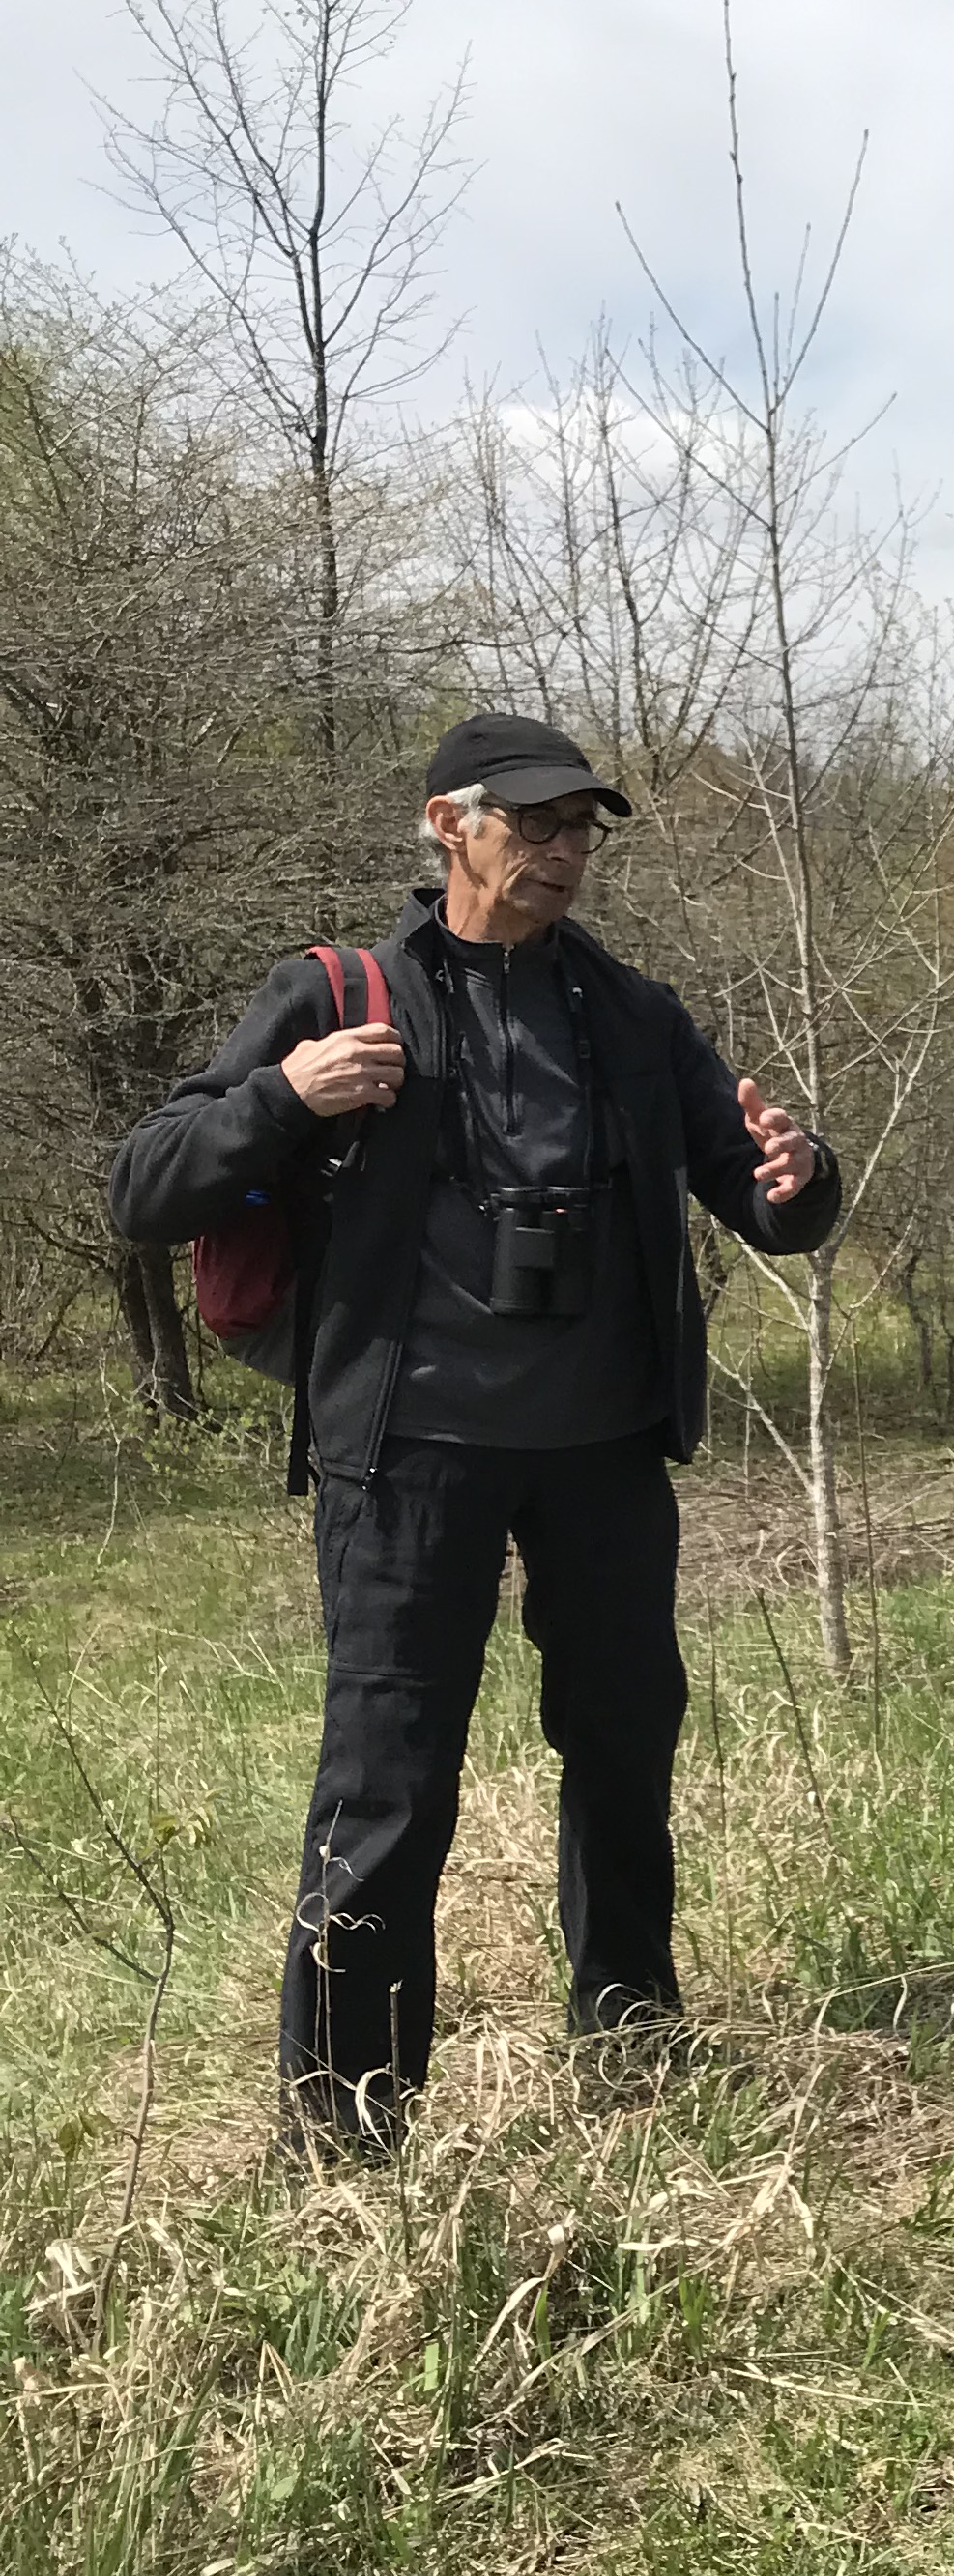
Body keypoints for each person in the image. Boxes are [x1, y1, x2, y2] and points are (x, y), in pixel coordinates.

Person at [105, 713, 838, 2151]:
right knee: (389, 1777)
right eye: (534, 825)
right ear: (449, 826)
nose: (564, 853)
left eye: (581, 830)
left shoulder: (632, 1016)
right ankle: (351, 2116)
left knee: (624, 1744)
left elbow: (764, 1202)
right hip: (407, 1454)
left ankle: (629, 2028)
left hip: (604, 1450)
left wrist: (799, 1175)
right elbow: (144, 1187)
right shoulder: (336, 993)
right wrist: (280, 1098)